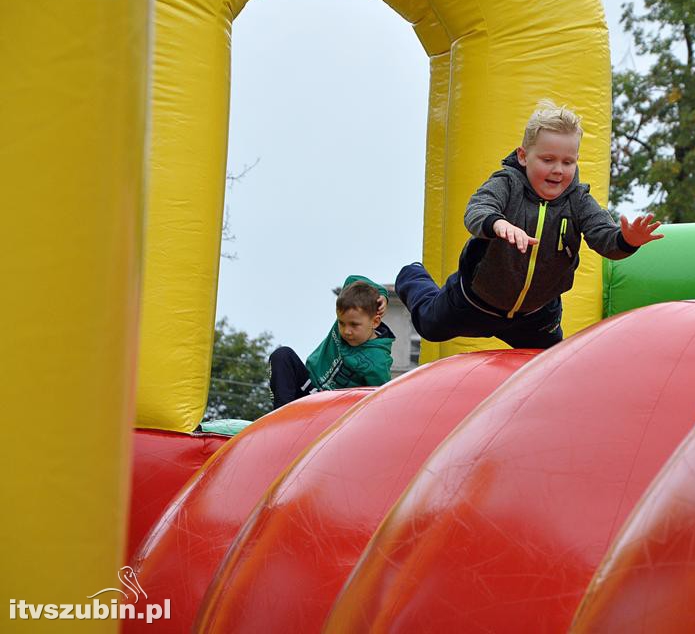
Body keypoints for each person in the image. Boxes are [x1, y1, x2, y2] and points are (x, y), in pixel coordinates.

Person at [396, 99, 662, 349]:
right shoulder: (507, 183)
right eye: (548, 160)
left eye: (568, 162)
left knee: (552, 367)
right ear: (524, 156)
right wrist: (499, 224)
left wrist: (627, 240)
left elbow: (603, 237)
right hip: (476, 301)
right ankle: (411, 274)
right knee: (429, 326)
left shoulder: (579, 200)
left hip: (535, 315)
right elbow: (477, 210)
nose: (558, 169)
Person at [268, 276, 395, 409]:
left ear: (375, 322)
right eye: (341, 323)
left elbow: (382, 401)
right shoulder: (347, 316)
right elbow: (352, 279)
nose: (347, 331)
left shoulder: (378, 360)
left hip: (331, 410)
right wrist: (383, 295)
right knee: (282, 355)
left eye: (354, 325)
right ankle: (282, 416)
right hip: (308, 389)